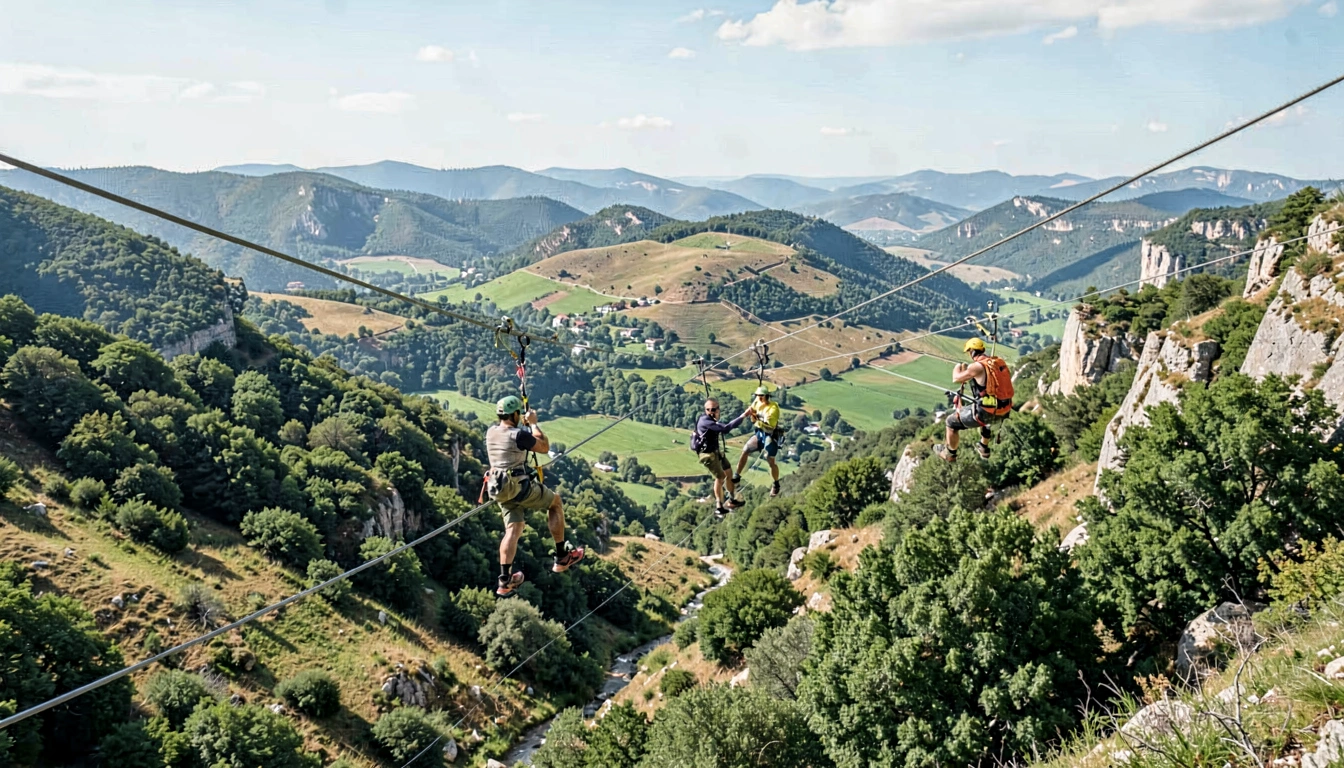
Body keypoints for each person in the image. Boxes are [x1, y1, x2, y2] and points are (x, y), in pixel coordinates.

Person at [486, 395, 584, 597]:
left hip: (499, 489)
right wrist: (533, 424)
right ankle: (562, 556)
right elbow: (544, 447)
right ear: (515, 415)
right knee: (555, 502)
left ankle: (504, 580)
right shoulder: (518, 435)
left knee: (513, 529)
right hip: (519, 487)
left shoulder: (491, 432)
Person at [933, 338, 1014, 463]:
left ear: (971, 351)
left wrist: (958, 366)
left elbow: (956, 378)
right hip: (1004, 409)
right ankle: (984, 447)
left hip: (986, 413)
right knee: (987, 414)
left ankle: (950, 453)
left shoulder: (977, 366)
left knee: (950, 422)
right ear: (982, 349)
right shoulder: (997, 363)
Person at [694, 398, 751, 516]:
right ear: (706, 410)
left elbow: (720, 426)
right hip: (708, 455)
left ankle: (731, 499)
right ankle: (719, 505)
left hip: (716, 451)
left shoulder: (710, 420)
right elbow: (726, 429)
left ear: (718, 409)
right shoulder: (706, 421)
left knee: (729, 472)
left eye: (714, 409)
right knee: (720, 478)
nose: (711, 412)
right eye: (709, 410)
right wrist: (743, 415)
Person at [734, 386, 783, 498]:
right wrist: (743, 416)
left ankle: (776, 483)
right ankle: (737, 475)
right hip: (759, 434)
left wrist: (755, 417)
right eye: (757, 396)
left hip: (769, 434)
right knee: (745, 450)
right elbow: (752, 409)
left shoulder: (773, 408)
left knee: (770, 460)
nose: (759, 398)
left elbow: (770, 425)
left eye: (761, 396)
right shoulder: (757, 402)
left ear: (766, 396)